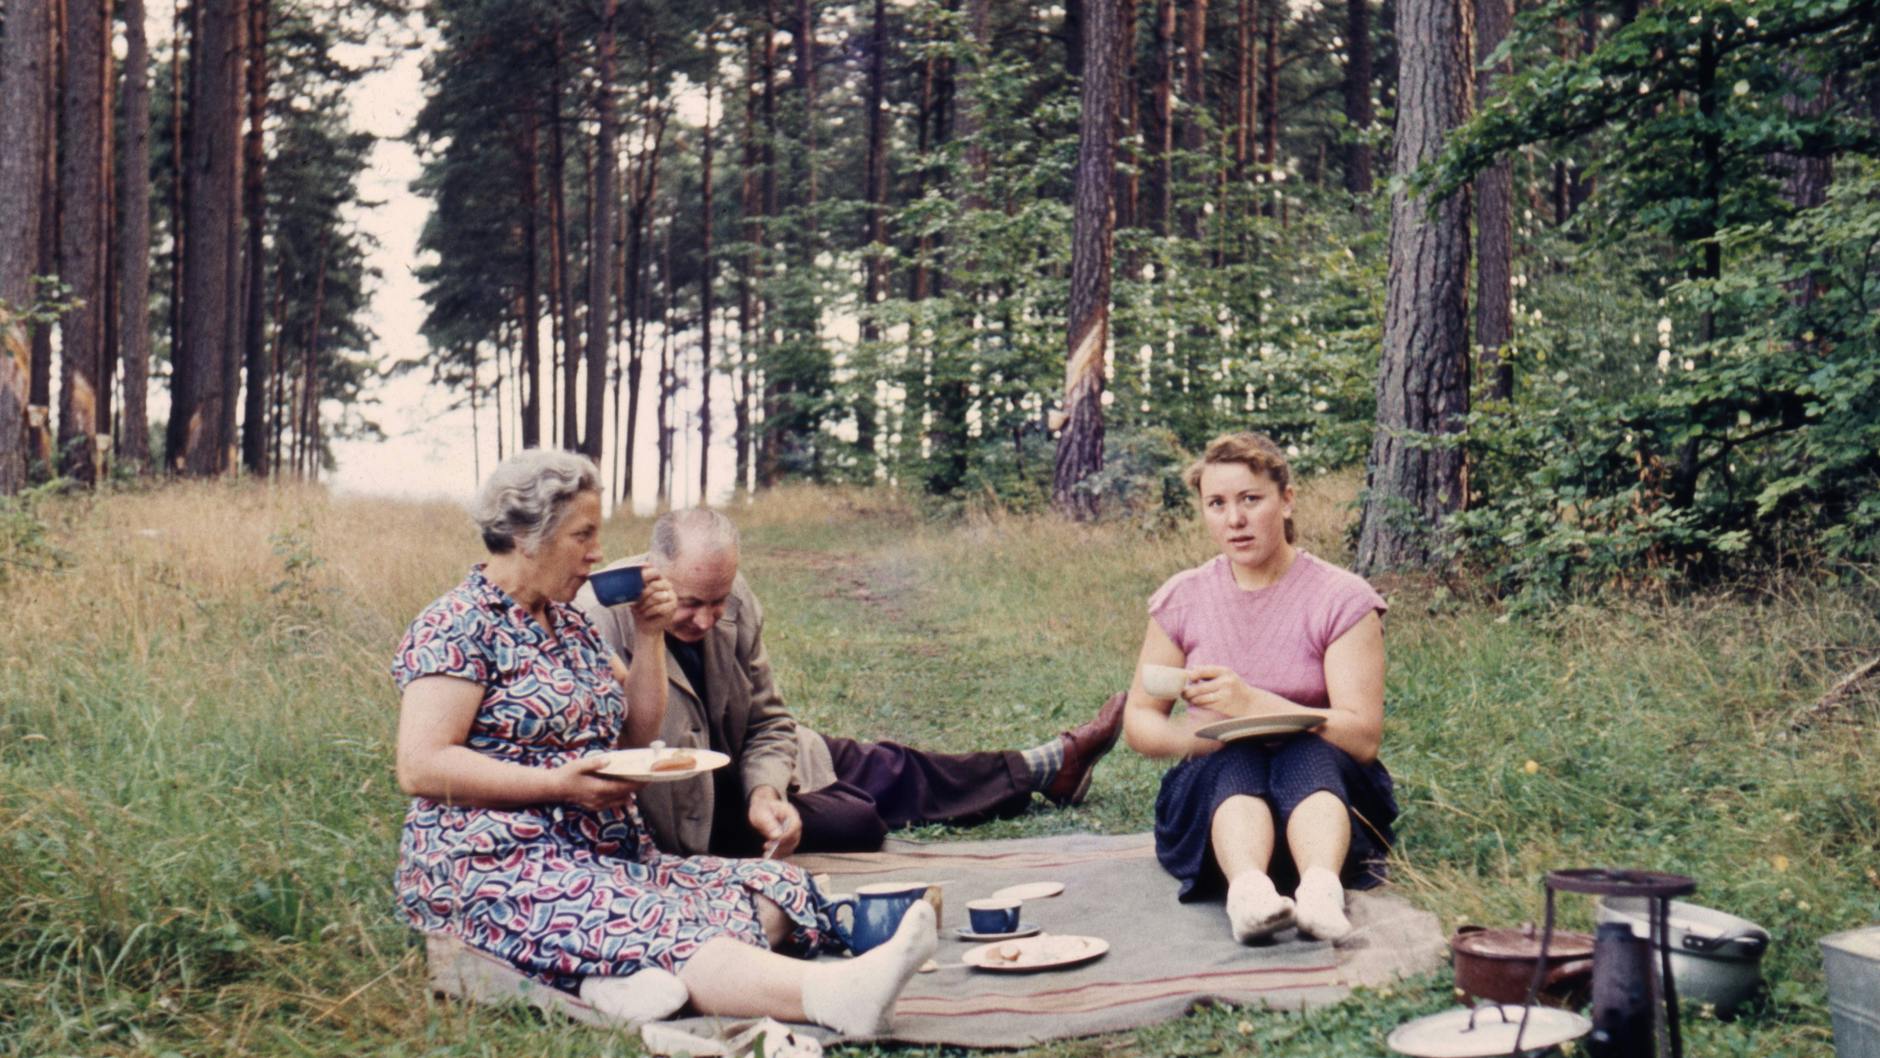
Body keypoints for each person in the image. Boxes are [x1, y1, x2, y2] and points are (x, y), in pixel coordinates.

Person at [393, 450, 934, 1033]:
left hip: (603, 852)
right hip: (499, 858)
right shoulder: (457, 623)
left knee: (774, 882)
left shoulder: (568, 623)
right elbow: (421, 766)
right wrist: (557, 786)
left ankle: (617, 977)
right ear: (529, 535)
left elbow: (637, 730)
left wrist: (649, 636)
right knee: (665, 920)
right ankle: (833, 995)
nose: (597, 552)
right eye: (584, 534)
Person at [574, 507, 1128, 859]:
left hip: (746, 766)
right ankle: (822, 805)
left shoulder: (733, 595)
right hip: (688, 812)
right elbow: (608, 757)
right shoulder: (601, 614)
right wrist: (758, 804)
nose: (707, 619)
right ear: (654, 567)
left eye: (718, 602)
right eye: (691, 604)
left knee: (886, 764)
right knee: (858, 816)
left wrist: (765, 788)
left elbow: (770, 720)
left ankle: (1044, 767)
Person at [1122, 431, 1396, 945]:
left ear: (1286, 500)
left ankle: (1320, 890)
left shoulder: (1341, 598)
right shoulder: (1183, 597)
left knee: (1302, 751)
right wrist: (1204, 735)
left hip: (1331, 803)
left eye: (1251, 499)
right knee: (1234, 758)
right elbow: (1140, 717)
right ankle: (1248, 894)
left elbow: (1362, 738)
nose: (1235, 520)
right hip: (1218, 806)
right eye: (1217, 504)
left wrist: (1255, 703)